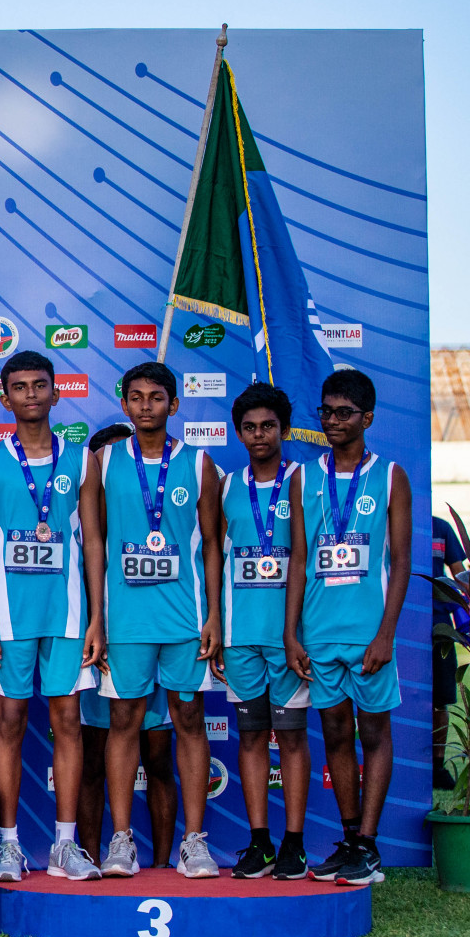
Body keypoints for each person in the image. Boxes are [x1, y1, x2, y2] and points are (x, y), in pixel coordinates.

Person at [0, 351, 104, 880]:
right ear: (5, 398)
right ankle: (9, 845)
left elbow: (92, 540)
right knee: (10, 720)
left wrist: (98, 619)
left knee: (68, 721)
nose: (30, 394)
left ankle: (64, 845)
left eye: (39, 385)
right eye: (19, 387)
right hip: (9, 616)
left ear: (55, 392)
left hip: (68, 615)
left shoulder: (83, 460)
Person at [98, 361, 222, 879]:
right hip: (126, 623)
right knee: (124, 722)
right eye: (136, 396)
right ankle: (121, 840)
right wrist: (95, 620)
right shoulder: (102, 462)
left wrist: (214, 614)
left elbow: (213, 544)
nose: (145, 405)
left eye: (156, 397)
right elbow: (95, 545)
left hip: (184, 623)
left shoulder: (199, 465)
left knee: (189, 721)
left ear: (174, 405)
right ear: (125, 403)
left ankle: (195, 842)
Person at [286, 369, 410, 885]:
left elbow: (400, 561)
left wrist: (385, 634)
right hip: (318, 632)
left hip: (368, 635)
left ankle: (371, 844)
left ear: (368, 418)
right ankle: (350, 834)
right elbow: (297, 559)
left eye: (344, 413)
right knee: (335, 732)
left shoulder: (390, 475)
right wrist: (292, 633)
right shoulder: (304, 477)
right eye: (326, 412)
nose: (333, 422)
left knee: (374, 732)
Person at [217, 383, 311, 878]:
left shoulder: (305, 480)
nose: (259, 435)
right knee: (252, 737)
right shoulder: (226, 486)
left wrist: (296, 631)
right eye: (250, 427)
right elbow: (211, 555)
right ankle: (260, 842)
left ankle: (294, 843)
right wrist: (214, 621)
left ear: (285, 430)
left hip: (289, 636)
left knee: (292, 738)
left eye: (268, 426)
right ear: (238, 432)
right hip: (239, 635)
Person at [76, 423, 178, 870]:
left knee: (157, 756)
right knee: (94, 761)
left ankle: (159, 865)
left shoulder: (145, 509)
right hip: (103, 650)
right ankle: (94, 857)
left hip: (153, 637)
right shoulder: (73, 522)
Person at [431, 514, 467, 789]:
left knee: (441, 697)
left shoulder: (440, 528)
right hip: (397, 627)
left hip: (439, 627)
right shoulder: (385, 520)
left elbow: (460, 573)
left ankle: (438, 764)